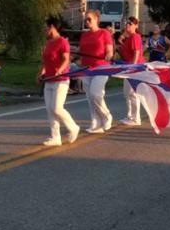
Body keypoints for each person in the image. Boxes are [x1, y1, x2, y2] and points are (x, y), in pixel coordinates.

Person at [37, 16, 79, 146]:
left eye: (46, 27)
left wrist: (60, 69)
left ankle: (73, 127)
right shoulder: (48, 43)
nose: (44, 30)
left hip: (61, 79)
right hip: (49, 80)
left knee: (57, 108)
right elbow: (46, 62)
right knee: (50, 109)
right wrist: (41, 73)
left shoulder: (62, 42)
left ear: (52, 27)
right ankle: (55, 137)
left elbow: (66, 59)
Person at [78, 9, 113, 134]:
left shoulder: (104, 33)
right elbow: (80, 52)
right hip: (86, 69)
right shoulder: (84, 35)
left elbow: (109, 51)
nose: (87, 22)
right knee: (89, 97)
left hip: (101, 67)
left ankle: (106, 115)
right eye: (85, 20)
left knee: (96, 94)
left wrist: (108, 55)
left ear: (96, 19)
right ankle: (95, 122)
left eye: (89, 19)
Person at [118, 16, 143, 126]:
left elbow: (136, 53)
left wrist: (133, 67)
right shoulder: (129, 38)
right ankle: (130, 115)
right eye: (127, 23)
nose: (128, 25)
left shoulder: (135, 36)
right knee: (127, 93)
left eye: (131, 24)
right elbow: (123, 54)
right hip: (128, 68)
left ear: (136, 26)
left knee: (133, 93)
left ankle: (136, 118)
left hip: (135, 68)